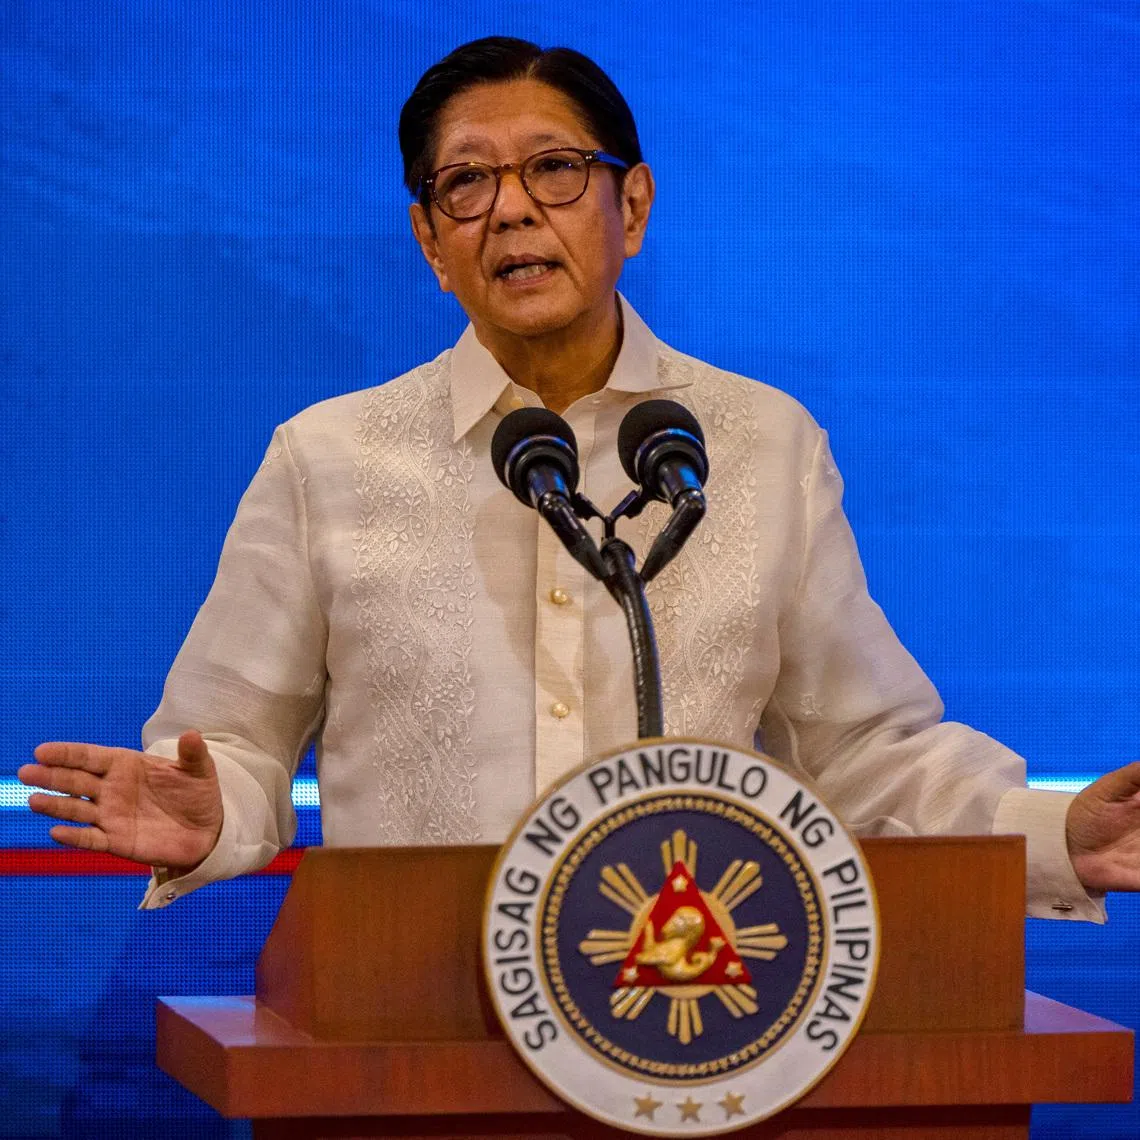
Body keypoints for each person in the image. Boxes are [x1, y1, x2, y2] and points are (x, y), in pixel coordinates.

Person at [19, 37, 1140, 916]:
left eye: (555, 170)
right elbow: (242, 744)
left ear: (633, 206)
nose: (511, 208)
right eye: (466, 184)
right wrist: (212, 813)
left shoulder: (760, 443)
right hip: (412, 1023)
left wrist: (1054, 832)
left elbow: (863, 750)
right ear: (428, 239)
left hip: (698, 1005)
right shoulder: (327, 457)